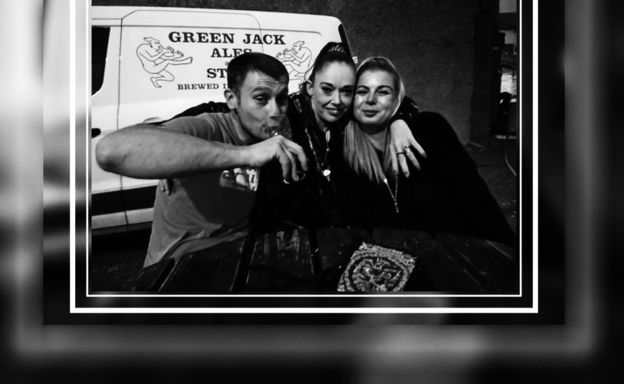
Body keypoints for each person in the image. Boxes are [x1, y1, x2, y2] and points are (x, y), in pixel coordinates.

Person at [172, 42, 426, 231]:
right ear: (310, 88)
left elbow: (393, 100)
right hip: (278, 235)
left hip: (330, 235)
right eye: (327, 89)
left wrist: (400, 121)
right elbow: (220, 109)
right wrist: (175, 141)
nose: (337, 100)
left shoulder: (345, 115)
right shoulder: (287, 111)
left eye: (347, 91)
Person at [96, 52, 308, 267]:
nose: (275, 111)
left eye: (282, 99)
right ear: (232, 99)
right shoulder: (208, 128)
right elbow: (110, 151)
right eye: (261, 98)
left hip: (238, 255)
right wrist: (246, 155)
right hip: (179, 266)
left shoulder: (273, 139)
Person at [337, 56, 517, 248]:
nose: (371, 100)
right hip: (387, 261)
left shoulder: (431, 130)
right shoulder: (342, 150)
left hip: (455, 253)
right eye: (362, 91)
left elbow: (476, 199)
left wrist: (509, 252)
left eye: (383, 92)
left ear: (397, 99)